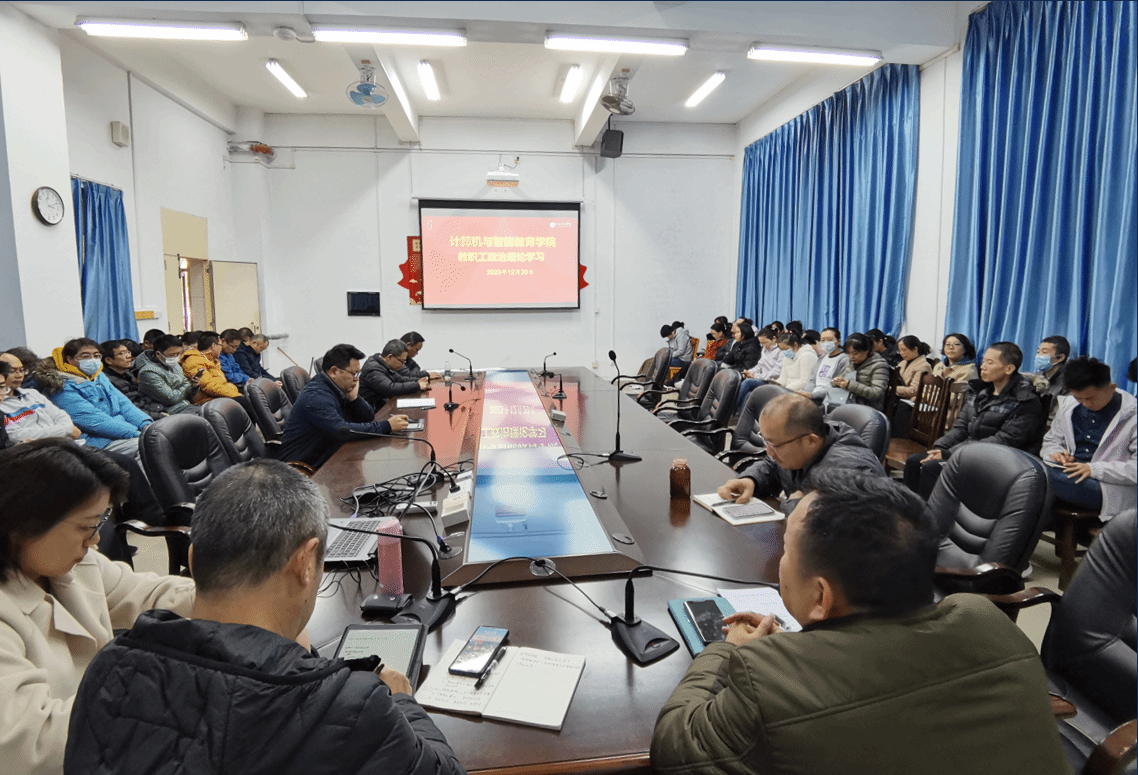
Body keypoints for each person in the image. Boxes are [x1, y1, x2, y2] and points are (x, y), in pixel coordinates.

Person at [63, 459, 464, 775]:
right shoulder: (351, 705)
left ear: (191, 560)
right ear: (305, 563)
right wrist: (403, 701)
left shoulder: (109, 668)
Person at [652, 472, 1068, 775]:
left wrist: (728, 650)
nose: (780, 560)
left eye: (786, 550)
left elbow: (674, 746)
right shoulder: (987, 620)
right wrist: (797, 656)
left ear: (821, 597)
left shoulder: (763, 677)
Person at [0, 440, 196, 775]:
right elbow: (30, 743)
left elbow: (147, 594)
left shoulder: (71, 565)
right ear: (23, 524)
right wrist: (156, 694)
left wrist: (229, 594)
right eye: (87, 527)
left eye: (99, 524)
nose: (94, 541)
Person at [904, 342, 1043, 499]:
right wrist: (940, 448)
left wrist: (950, 454)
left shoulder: (1025, 401)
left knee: (932, 468)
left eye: (990, 362)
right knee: (914, 461)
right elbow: (961, 427)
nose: (983, 366)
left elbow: (1005, 440)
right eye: (983, 361)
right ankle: (908, 509)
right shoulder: (979, 391)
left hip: (999, 459)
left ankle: (932, 513)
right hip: (967, 451)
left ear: (1009, 369)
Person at [717, 394, 884, 515]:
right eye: (766, 441)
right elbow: (773, 466)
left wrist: (794, 504)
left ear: (810, 441)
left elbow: (828, 525)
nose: (768, 451)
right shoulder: (801, 440)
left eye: (774, 444)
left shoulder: (851, 472)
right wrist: (751, 480)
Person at [278, 344, 410, 469]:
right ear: (334, 371)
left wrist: (354, 399)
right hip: (303, 468)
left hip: (327, 455)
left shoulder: (336, 388)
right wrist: (387, 425)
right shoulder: (317, 397)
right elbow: (342, 431)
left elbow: (368, 418)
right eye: (354, 374)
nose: (356, 379)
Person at [1040, 356, 1136, 516]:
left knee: (1035, 477)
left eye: (1090, 398)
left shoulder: (1132, 414)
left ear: (1111, 387)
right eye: (1078, 398)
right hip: (1067, 475)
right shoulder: (1068, 407)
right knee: (1035, 479)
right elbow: (1052, 441)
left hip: (1106, 486)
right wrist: (1056, 454)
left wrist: (1094, 470)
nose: (1084, 403)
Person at [45, 338, 152, 457]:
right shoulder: (60, 385)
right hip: (95, 441)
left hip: (122, 433)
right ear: (70, 359)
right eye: (85, 356)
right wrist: (136, 433)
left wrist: (147, 426)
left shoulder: (99, 376)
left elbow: (124, 404)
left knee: (159, 440)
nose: (92, 360)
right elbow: (94, 420)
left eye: (96, 355)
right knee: (148, 447)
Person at [99, 339, 166, 419]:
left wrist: (160, 409)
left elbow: (141, 400)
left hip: (145, 412)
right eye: (122, 353)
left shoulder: (127, 374)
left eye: (128, 352)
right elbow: (128, 409)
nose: (129, 356)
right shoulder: (108, 382)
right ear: (109, 360)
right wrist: (159, 415)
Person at [136, 334, 202, 415]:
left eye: (178, 354)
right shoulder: (148, 372)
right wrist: (189, 385)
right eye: (172, 355)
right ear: (158, 354)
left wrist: (194, 386)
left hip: (183, 406)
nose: (176, 357)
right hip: (163, 412)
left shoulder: (174, 365)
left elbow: (187, 393)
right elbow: (171, 398)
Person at [359, 340, 429, 410]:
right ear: (390, 357)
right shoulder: (373, 369)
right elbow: (390, 389)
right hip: (370, 411)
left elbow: (400, 379)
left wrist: (418, 381)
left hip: (381, 405)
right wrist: (417, 385)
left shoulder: (383, 364)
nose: (402, 365)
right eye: (401, 361)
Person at [830, 333, 890, 411]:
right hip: (848, 403)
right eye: (848, 353)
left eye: (855, 353)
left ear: (867, 351)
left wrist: (849, 385)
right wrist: (837, 382)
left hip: (868, 409)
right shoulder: (851, 363)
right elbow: (842, 379)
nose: (851, 357)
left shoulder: (879, 365)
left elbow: (877, 394)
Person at [180, 331, 241, 405]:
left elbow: (221, 383)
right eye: (220, 345)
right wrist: (235, 395)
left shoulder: (212, 360)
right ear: (214, 345)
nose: (221, 348)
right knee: (243, 401)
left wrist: (233, 389)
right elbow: (209, 386)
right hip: (208, 400)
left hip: (219, 396)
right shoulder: (194, 360)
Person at [801, 327, 849, 404]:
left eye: (829, 340)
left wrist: (813, 395)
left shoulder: (844, 360)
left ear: (838, 342)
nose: (826, 343)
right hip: (813, 397)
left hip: (828, 400)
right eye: (823, 340)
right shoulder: (822, 358)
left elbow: (837, 387)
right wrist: (805, 393)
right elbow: (813, 380)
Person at [893, 335, 932, 400]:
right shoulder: (902, 363)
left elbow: (914, 390)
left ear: (915, 349)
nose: (901, 353)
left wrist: (893, 388)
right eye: (899, 351)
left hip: (912, 401)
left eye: (904, 350)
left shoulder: (924, 366)